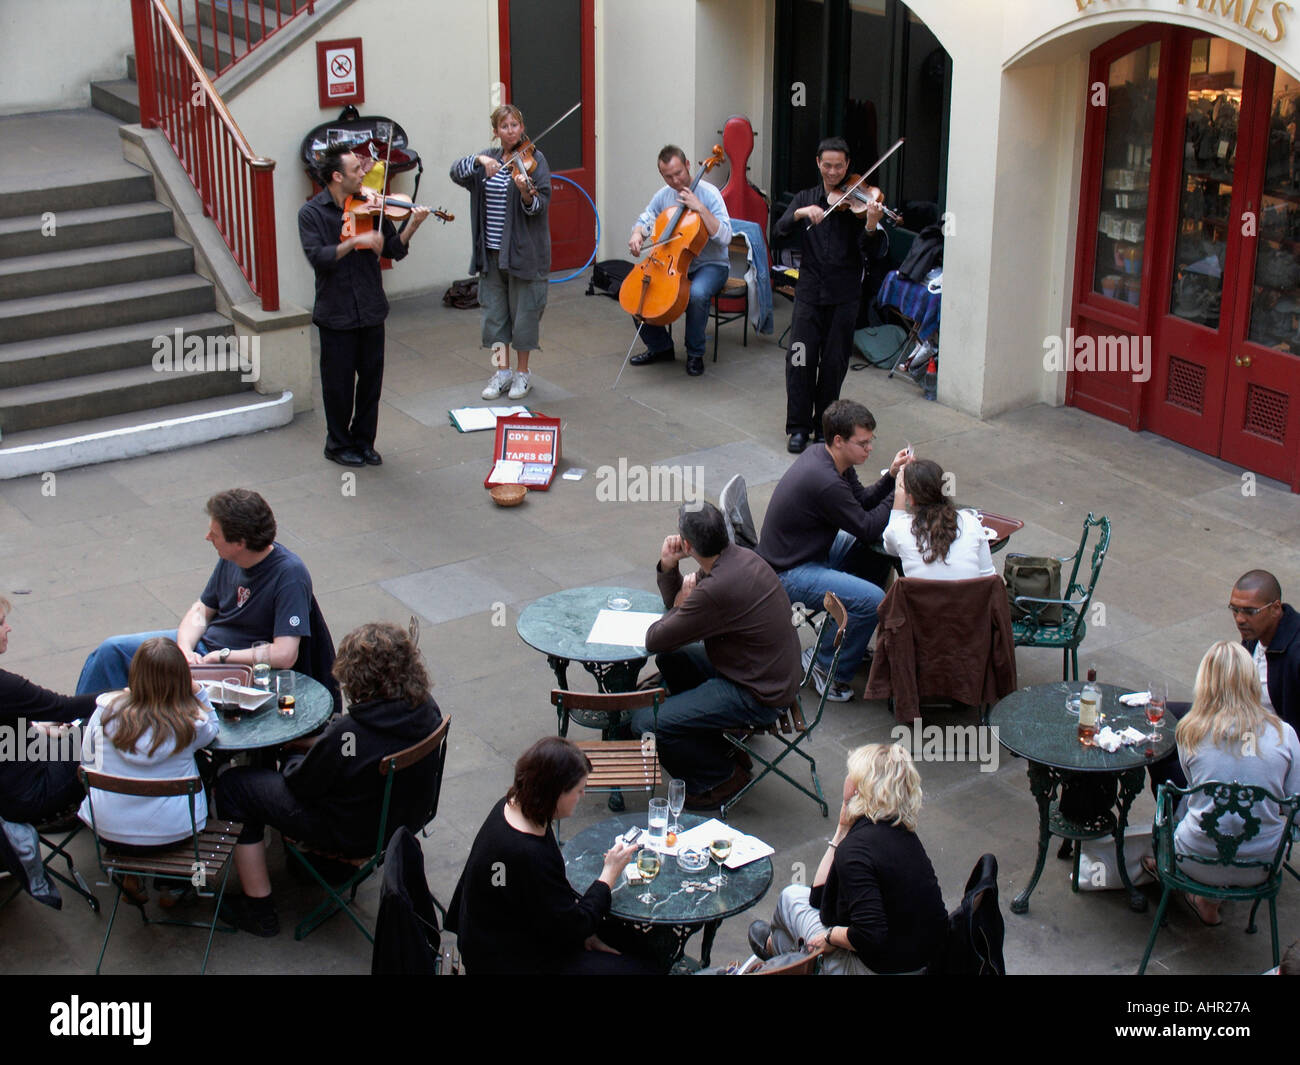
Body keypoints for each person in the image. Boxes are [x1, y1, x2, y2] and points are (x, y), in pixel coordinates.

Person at [215, 622, 442, 936]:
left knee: (234, 786)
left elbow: (299, 785)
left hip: (346, 831)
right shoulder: (427, 708)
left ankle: (259, 908)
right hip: (402, 819)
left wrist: (292, 754)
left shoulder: (351, 733)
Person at [629, 503, 801, 808]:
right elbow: (673, 621)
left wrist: (688, 601)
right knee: (672, 658)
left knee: (646, 722)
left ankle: (720, 777)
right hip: (764, 672)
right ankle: (714, 740)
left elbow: (655, 638)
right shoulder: (738, 558)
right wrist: (670, 567)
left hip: (757, 694)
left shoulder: (718, 587)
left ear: (689, 545)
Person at [446, 736, 655, 974]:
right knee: (643, 966)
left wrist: (579, 928)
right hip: (509, 960)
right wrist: (609, 874)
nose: (583, 796)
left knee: (631, 943)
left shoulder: (511, 806)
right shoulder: (527, 853)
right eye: (579, 790)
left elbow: (541, 903)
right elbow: (570, 925)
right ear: (555, 793)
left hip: (501, 935)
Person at [76, 490, 313, 695]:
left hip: (232, 664)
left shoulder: (289, 575)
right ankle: (78, 718)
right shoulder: (231, 558)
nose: (207, 537)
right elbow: (202, 609)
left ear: (239, 543)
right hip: (203, 648)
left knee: (124, 660)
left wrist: (222, 656)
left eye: (215, 534)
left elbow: (285, 654)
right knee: (110, 652)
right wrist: (184, 648)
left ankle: (88, 726)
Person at [758, 399, 911, 702]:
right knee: (872, 601)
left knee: (876, 555)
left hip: (810, 553)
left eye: (871, 441)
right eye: (863, 443)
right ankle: (823, 665)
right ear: (839, 440)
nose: (869, 449)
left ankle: (843, 639)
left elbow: (863, 502)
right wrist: (899, 494)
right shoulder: (826, 480)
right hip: (789, 572)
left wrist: (891, 476)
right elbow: (868, 526)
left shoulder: (828, 456)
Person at [748, 743, 947, 974]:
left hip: (878, 968)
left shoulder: (855, 851)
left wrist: (830, 938)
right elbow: (818, 898)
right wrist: (842, 829)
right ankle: (780, 950)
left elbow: (870, 933)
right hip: (920, 960)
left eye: (851, 774)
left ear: (859, 789)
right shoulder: (903, 833)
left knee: (789, 899)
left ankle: (776, 951)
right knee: (793, 920)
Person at [300, 143, 430, 467]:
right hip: (336, 312)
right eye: (356, 170)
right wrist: (354, 242)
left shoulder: (370, 204)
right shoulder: (312, 213)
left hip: (371, 307)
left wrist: (412, 225)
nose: (364, 174)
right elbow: (319, 257)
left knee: (371, 381)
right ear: (336, 176)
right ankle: (338, 444)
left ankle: (364, 442)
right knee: (339, 385)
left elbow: (393, 251)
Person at [1155, 640, 1300, 926]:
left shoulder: (1188, 732)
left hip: (1195, 859)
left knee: (1184, 803)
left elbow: (1195, 786)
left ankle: (1204, 897)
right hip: (1262, 864)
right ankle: (1213, 898)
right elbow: (1294, 802)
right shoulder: (1285, 735)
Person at [78, 638, 219, 902]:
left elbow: (88, 760)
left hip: (109, 831)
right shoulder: (190, 725)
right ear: (181, 678)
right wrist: (199, 692)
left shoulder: (104, 712)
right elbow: (214, 728)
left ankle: (127, 871)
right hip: (176, 834)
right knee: (205, 770)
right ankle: (180, 885)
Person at [774, 137, 889, 454]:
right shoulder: (806, 198)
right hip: (809, 293)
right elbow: (777, 232)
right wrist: (799, 213)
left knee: (834, 364)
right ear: (818, 164)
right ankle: (797, 428)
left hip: (844, 296)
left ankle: (823, 429)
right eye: (828, 165)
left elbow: (874, 251)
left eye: (840, 166)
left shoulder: (859, 203)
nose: (834, 171)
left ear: (848, 166)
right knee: (799, 359)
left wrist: (871, 224)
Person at [1150, 569, 1300, 797]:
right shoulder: (1255, 635)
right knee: (1161, 720)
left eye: (1249, 611)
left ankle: (1185, 808)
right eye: (1235, 609)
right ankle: (1177, 806)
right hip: (1235, 715)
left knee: (1175, 764)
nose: (1240, 619)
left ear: (1275, 609)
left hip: (1261, 739)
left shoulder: (1295, 655)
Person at [450, 104, 551, 402]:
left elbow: (540, 205)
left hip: (524, 254)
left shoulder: (536, 160)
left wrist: (524, 192)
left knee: (524, 316)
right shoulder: (488, 159)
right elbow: (456, 172)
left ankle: (522, 374)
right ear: (496, 132)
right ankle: (501, 372)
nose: (511, 131)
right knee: (494, 318)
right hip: (490, 253)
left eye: (515, 125)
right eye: (504, 127)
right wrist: (480, 160)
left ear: (522, 127)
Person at [625, 145, 733, 377]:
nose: (675, 180)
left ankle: (695, 353)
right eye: (668, 176)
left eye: (678, 173)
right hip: (672, 264)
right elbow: (646, 218)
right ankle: (660, 348)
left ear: (687, 165)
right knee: (638, 291)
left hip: (711, 265)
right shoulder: (663, 195)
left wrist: (701, 209)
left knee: (697, 294)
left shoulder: (710, 194)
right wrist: (637, 234)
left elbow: (725, 237)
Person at [0, 595, 97, 824]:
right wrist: (125, 694)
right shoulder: (5, 687)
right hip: (29, 797)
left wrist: (34, 726)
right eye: (2, 623)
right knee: (101, 726)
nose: (9, 628)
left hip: (10, 788)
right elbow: (64, 707)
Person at [882, 458, 995, 580]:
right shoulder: (971, 522)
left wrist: (899, 493)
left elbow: (890, 548)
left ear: (911, 498)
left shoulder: (899, 529)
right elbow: (989, 578)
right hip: (971, 598)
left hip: (920, 599)